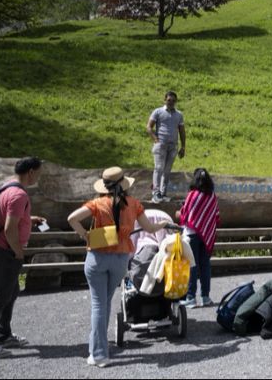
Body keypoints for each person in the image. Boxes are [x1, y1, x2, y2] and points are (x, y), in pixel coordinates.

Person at [67, 167, 170, 367]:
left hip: (97, 257)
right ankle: (99, 348)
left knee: (99, 305)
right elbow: (148, 228)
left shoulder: (97, 203)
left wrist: (85, 235)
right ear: (123, 184)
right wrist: (163, 223)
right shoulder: (134, 204)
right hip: (120, 259)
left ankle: (98, 354)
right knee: (105, 303)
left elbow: (72, 218)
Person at [0, 157, 47, 360]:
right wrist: (18, 252)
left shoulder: (7, 186)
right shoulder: (19, 195)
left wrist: (28, 219)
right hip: (5, 252)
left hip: (0, 250)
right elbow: (8, 228)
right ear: (30, 172)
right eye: (38, 174)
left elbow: (6, 216)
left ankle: (4, 335)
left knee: (11, 290)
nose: (38, 178)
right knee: (0, 296)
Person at [177, 168, 220, 308]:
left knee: (192, 265)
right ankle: (205, 297)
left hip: (191, 234)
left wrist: (178, 213)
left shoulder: (192, 195)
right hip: (206, 234)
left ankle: (190, 297)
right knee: (205, 265)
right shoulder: (212, 196)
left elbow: (184, 214)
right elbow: (216, 216)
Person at [147, 91, 186, 204]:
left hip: (173, 146)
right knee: (158, 168)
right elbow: (149, 127)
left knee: (167, 171)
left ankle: (163, 193)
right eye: (169, 100)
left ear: (176, 102)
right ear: (165, 100)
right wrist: (155, 139)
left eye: (173, 101)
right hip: (161, 145)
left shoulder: (179, 115)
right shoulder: (158, 111)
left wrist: (183, 147)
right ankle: (155, 193)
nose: (171, 102)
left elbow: (182, 131)